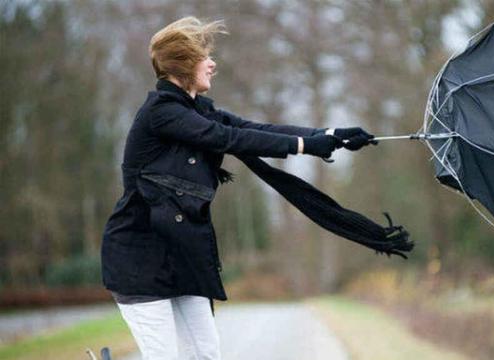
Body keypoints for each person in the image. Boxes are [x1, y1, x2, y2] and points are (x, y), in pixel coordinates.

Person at [100, 16, 374, 360]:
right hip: (139, 257)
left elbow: (252, 127)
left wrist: (329, 135)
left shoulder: (198, 109)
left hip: (183, 255)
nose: (212, 64)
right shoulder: (161, 113)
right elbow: (228, 138)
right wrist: (305, 146)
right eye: (205, 57)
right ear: (184, 65)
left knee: (206, 354)